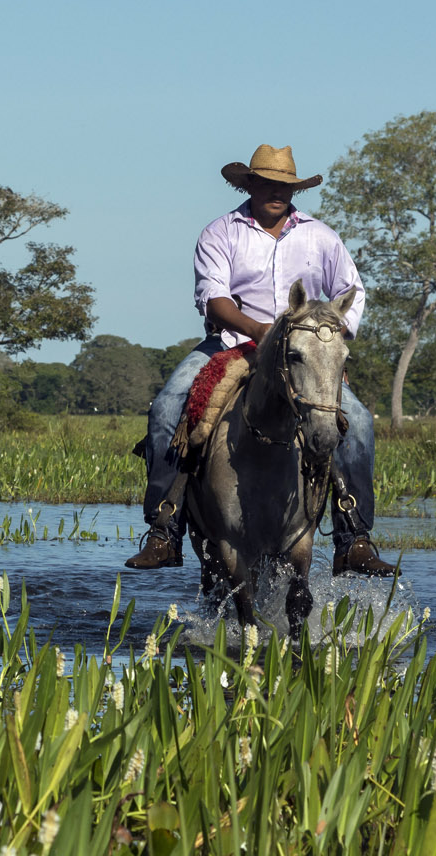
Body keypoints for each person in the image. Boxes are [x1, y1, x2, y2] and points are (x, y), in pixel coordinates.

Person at [126, 145, 396, 577]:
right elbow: (213, 300)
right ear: (248, 184)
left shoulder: (321, 237)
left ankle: (353, 539)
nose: (276, 192)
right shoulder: (221, 232)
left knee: (359, 422)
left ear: (294, 189)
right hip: (232, 345)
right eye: (267, 183)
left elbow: (353, 292)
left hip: (301, 356)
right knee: (166, 409)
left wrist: (326, 344)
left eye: (285, 186)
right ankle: (165, 529)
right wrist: (259, 331)